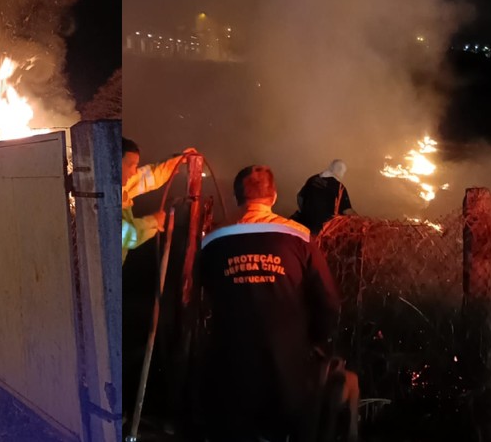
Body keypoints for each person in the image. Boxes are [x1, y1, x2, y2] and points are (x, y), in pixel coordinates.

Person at [199, 165, 341, 442]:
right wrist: (316, 341)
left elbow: (202, 293)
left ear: (237, 196)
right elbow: (329, 301)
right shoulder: (299, 238)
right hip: (287, 365)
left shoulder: (213, 241)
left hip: (230, 362)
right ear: (273, 196)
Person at [121, 137, 196, 263]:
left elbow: (148, 177)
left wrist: (177, 160)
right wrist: (153, 221)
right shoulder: (103, 196)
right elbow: (127, 236)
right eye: (130, 166)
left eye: (136, 166)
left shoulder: (122, 186)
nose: (134, 172)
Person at [294, 159, 356, 237]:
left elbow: (300, 197)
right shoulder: (339, 187)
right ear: (340, 171)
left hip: (305, 228)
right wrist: (362, 221)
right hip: (324, 232)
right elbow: (347, 211)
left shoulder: (313, 179)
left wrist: (307, 213)